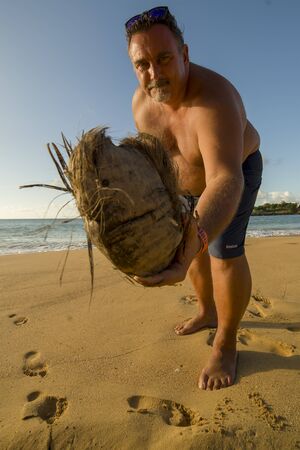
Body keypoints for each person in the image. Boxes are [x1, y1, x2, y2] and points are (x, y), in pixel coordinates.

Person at [125, 6, 263, 390]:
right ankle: (206, 311)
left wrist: (190, 245)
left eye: (165, 58)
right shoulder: (140, 105)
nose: (154, 73)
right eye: (143, 64)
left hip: (235, 173)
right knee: (191, 251)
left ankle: (226, 341)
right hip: (184, 185)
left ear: (184, 55)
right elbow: (157, 161)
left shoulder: (215, 99)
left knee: (221, 253)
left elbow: (224, 178)